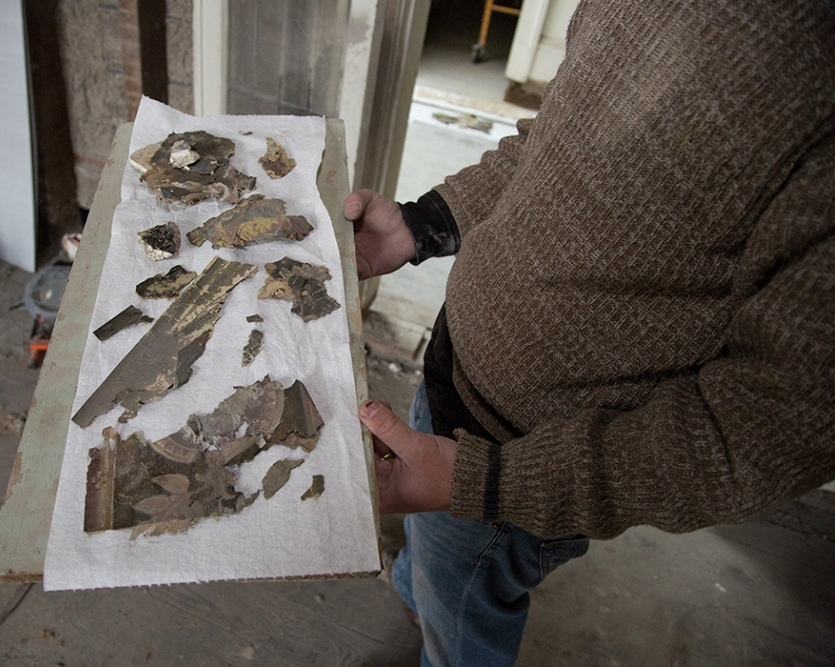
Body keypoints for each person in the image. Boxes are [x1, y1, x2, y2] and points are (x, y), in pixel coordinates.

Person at [345, 0, 835, 664]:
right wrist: (421, 224)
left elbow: (773, 426)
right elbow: (555, 139)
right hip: (451, 377)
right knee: (437, 567)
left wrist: (493, 483)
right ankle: (419, 590)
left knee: (461, 615)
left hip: (517, 468)